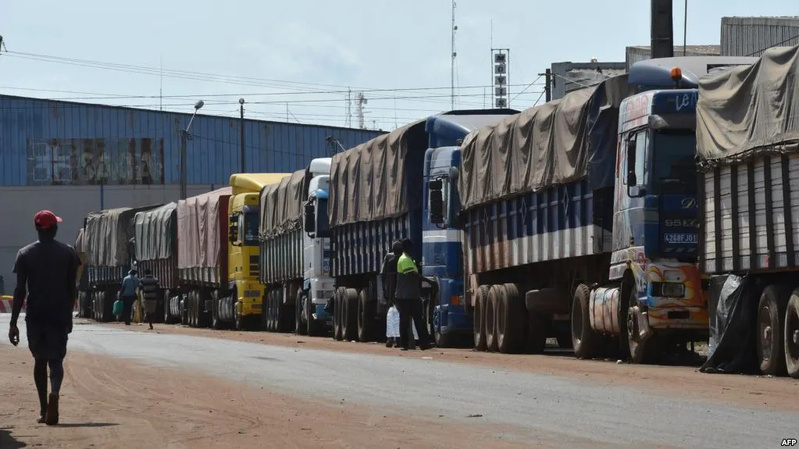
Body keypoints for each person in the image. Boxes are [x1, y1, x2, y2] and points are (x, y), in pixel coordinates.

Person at [8, 210, 80, 425]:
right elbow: (71, 289)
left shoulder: (25, 254)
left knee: (40, 361)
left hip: (36, 314)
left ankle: (43, 409)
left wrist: (13, 324)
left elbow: (20, 291)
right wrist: (69, 315)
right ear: (55, 229)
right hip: (58, 313)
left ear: (37, 229)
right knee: (56, 360)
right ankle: (55, 392)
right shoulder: (67, 253)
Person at [394, 238, 433, 351]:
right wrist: (428, 281)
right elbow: (412, 274)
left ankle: (423, 343)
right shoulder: (405, 259)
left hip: (411, 295)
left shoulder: (408, 259)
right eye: (411, 247)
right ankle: (405, 344)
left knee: (418, 319)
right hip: (405, 296)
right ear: (408, 248)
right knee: (406, 320)